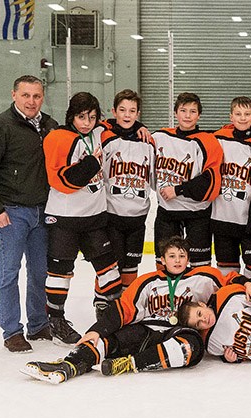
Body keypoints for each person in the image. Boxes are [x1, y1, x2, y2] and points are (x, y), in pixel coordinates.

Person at [21, 236, 251, 384]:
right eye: (172, 256)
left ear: (188, 259)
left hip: (180, 332)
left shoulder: (205, 276)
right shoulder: (147, 281)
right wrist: (96, 330)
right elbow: (123, 309)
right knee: (107, 341)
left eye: (182, 256)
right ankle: (70, 365)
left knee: (192, 349)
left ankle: (130, 363)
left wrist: (247, 283)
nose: (177, 260)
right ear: (162, 260)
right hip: (147, 329)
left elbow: (231, 281)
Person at [0, 75, 58, 353]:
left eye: (36, 96)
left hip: (42, 211)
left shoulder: (49, 126)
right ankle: (12, 330)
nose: (31, 101)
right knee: (9, 273)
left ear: (42, 97)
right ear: (14, 95)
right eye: (26, 95)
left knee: (39, 271)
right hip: (11, 212)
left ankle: (38, 323)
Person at [43, 92, 122, 345]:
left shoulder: (99, 133)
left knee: (109, 268)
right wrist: (91, 163)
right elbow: (65, 180)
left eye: (91, 117)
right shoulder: (58, 138)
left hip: (94, 218)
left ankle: (113, 317)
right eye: (81, 117)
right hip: (64, 218)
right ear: (71, 116)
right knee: (60, 273)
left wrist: (140, 129)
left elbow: (120, 125)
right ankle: (56, 321)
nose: (87, 122)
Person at [152, 92, 223, 269]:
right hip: (167, 212)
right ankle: (166, 297)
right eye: (183, 110)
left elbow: (210, 181)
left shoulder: (208, 141)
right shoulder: (159, 137)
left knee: (201, 268)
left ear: (199, 115)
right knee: (164, 265)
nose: (187, 115)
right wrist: (139, 128)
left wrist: (177, 190)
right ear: (176, 112)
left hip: (197, 214)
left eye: (193, 111)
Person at [213, 96, 251, 281]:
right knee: (227, 276)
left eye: (247, 114)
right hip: (222, 220)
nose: (242, 118)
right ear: (230, 117)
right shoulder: (217, 139)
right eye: (238, 114)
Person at [101, 89, 155, 289]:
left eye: (132, 111)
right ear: (114, 112)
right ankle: (104, 302)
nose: (127, 115)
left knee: (131, 265)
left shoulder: (148, 143)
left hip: (137, 218)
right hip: (112, 215)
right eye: (122, 110)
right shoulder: (105, 138)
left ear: (138, 113)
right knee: (111, 264)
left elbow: (154, 178)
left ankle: (127, 303)